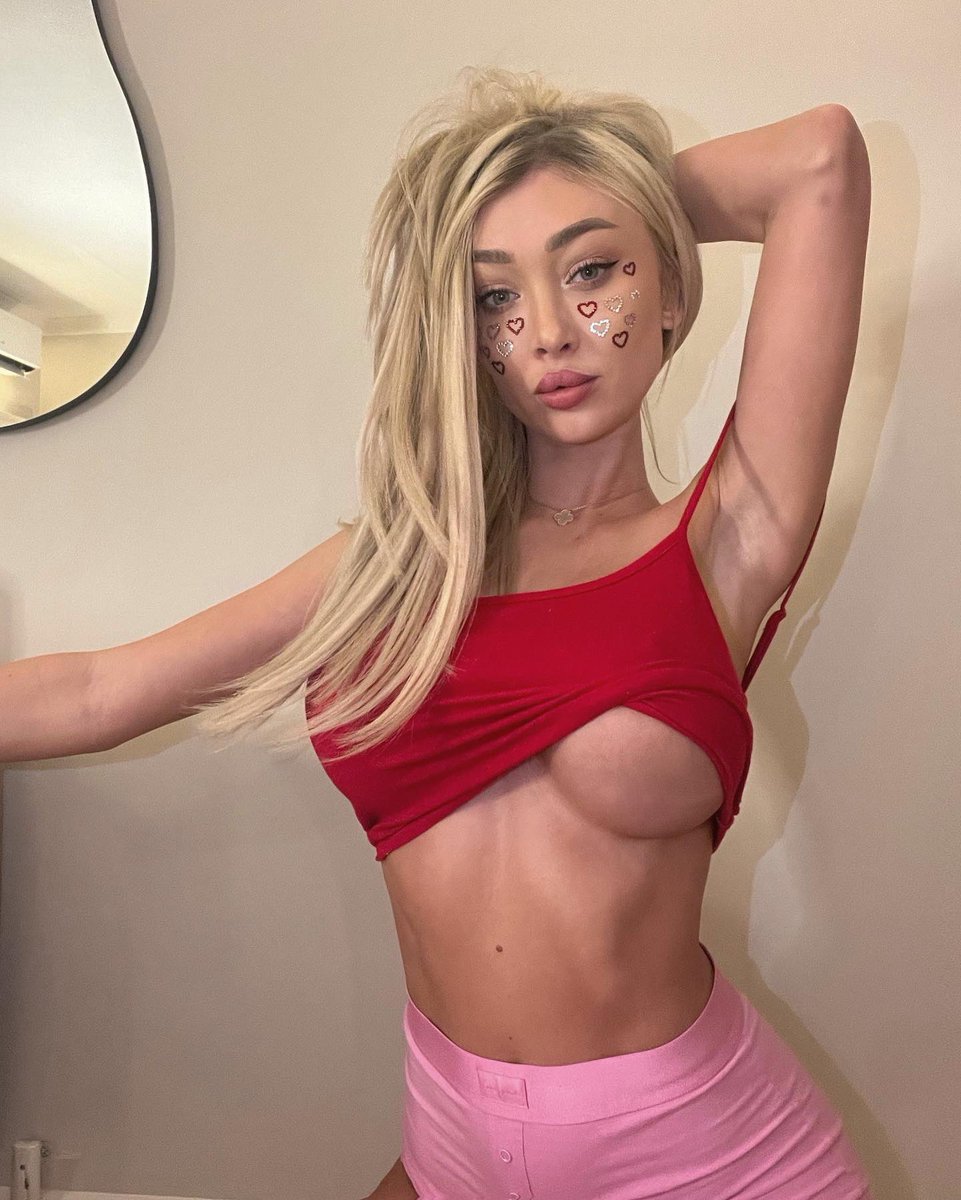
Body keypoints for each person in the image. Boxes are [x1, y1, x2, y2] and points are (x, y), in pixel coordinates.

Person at [0, 68, 873, 1199]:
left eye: (592, 271)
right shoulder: (393, 566)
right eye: (493, 295)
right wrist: (513, 251)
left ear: (667, 291)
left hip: (705, 1160)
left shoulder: (725, 540)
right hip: (453, 1144)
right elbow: (91, 693)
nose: (548, 331)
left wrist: (608, 192)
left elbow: (816, 160)